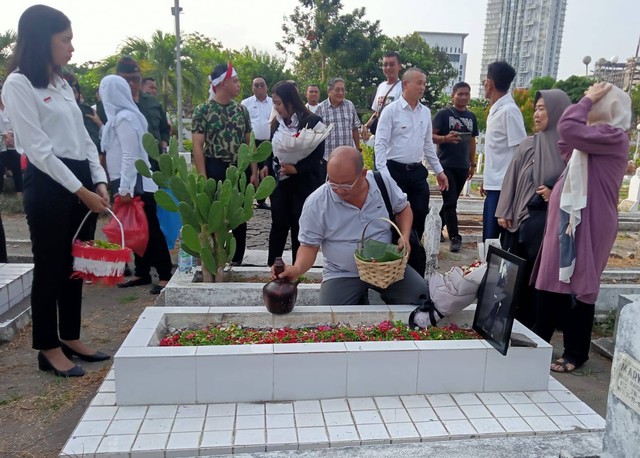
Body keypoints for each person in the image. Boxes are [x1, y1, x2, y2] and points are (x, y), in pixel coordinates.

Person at [2, 5, 111, 377]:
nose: (71, 48)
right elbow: (38, 149)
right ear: (41, 40)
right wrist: (82, 191)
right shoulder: (18, 84)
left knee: (76, 264)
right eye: (65, 40)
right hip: (49, 182)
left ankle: (71, 336)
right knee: (51, 265)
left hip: (80, 177)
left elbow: (83, 137)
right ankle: (48, 347)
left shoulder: (62, 83)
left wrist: (99, 180)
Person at [531, 82, 631, 373]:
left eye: (598, 101)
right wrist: (586, 106)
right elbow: (566, 144)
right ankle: (539, 339)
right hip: (568, 221)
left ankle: (576, 352)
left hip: (591, 221)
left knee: (581, 285)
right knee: (552, 277)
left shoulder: (612, 135)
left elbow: (568, 130)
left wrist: (585, 101)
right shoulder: (591, 143)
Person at [273, 146, 430, 305]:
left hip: (385, 267)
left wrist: (404, 236)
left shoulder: (382, 183)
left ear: (363, 174)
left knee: (421, 297)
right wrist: (297, 269)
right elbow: (309, 247)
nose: (339, 191)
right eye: (333, 183)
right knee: (329, 319)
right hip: (341, 272)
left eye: (346, 185)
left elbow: (403, 209)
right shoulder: (317, 202)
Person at [495, 89, 571, 329]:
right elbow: (512, 177)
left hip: (549, 227)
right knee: (516, 277)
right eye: (536, 108)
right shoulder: (528, 144)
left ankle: (535, 326)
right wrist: (504, 210)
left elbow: (576, 185)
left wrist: (554, 194)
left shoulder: (569, 149)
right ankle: (512, 323)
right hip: (520, 222)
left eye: (543, 109)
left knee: (538, 280)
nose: (537, 114)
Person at [100, 75, 173, 295]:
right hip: (126, 182)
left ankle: (164, 274)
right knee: (134, 230)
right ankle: (142, 271)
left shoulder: (125, 119)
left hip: (136, 184)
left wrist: (125, 189)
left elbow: (130, 156)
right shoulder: (116, 119)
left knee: (149, 230)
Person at [374, 68, 449, 277]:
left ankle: (412, 261)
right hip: (393, 171)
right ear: (405, 85)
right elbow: (380, 144)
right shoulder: (391, 111)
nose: (423, 87)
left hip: (416, 172)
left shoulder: (425, 112)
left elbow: (427, 146)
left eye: (424, 83)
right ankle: (390, 263)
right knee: (392, 218)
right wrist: (384, 176)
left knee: (419, 214)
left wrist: (439, 171)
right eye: (419, 83)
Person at [192, 62, 257, 266]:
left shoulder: (241, 110)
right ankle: (215, 257)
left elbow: (249, 143)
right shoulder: (203, 110)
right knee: (213, 214)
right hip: (214, 166)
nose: (239, 85)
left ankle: (236, 259)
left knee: (239, 215)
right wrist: (203, 175)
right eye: (235, 81)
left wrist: (253, 172)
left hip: (238, 169)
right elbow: (198, 146)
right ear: (222, 83)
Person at [267, 81, 325, 266]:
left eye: (278, 103)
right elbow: (271, 148)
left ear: (290, 101)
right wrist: (271, 166)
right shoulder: (276, 123)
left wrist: (297, 168)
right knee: (278, 224)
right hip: (281, 182)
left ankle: (298, 268)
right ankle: (273, 266)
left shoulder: (312, 121)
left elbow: (317, 156)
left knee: (299, 226)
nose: (276, 107)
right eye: (274, 103)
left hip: (304, 183)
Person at [481, 61, 527, 241]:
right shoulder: (496, 110)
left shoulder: (509, 111)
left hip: (504, 190)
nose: (484, 83)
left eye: (485, 80)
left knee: (496, 242)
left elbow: (522, 152)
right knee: (488, 240)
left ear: (490, 82)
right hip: (494, 186)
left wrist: (512, 194)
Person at [97, 57, 170, 169]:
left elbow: (164, 129)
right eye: (126, 79)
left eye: (135, 79)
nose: (131, 83)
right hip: (125, 166)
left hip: (155, 163)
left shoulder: (152, 102)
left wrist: (164, 150)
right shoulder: (107, 106)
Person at [432, 81, 479, 252]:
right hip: (445, 166)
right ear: (453, 95)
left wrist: (472, 164)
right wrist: (445, 139)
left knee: (450, 202)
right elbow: (430, 136)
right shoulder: (443, 114)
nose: (463, 97)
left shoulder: (472, 117)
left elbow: (472, 140)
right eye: (460, 94)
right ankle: (455, 237)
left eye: (467, 94)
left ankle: (435, 227)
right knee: (450, 202)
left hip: (462, 166)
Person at [242, 77, 273, 210]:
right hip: (251, 142)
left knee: (267, 171)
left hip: (268, 142)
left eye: (262, 85)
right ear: (252, 88)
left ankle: (263, 199)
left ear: (266, 87)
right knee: (251, 171)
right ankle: (247, 199)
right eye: (256, 85)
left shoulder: (273, 103)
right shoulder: (245, 103)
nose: (259, 88)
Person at [315, 78, 362, 164]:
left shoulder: (350, 105)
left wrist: (358, 148)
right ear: (329, 91)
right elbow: (317, 134)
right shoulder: (321, 108)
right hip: (329, 157)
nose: (340, 93)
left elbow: (354, 128)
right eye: (337, 90)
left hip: (348, 156)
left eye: (343, 90)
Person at [363, 51, 403, 137]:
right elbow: (377, 112)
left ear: (399, 66)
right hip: (381, 135)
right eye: (385, 65)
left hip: (395, 135)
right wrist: (367, 125)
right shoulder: (381, 87)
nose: (388, 68)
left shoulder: (403, 87)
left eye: (392, 64)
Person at [0, 81, 23, 196]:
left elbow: (17, 122)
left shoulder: (11, 107)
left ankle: (19, 191)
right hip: (1, 142)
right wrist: (5, 135)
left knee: (16, 166)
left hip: (12, 141)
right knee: (0, 167)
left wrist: (11, 134)